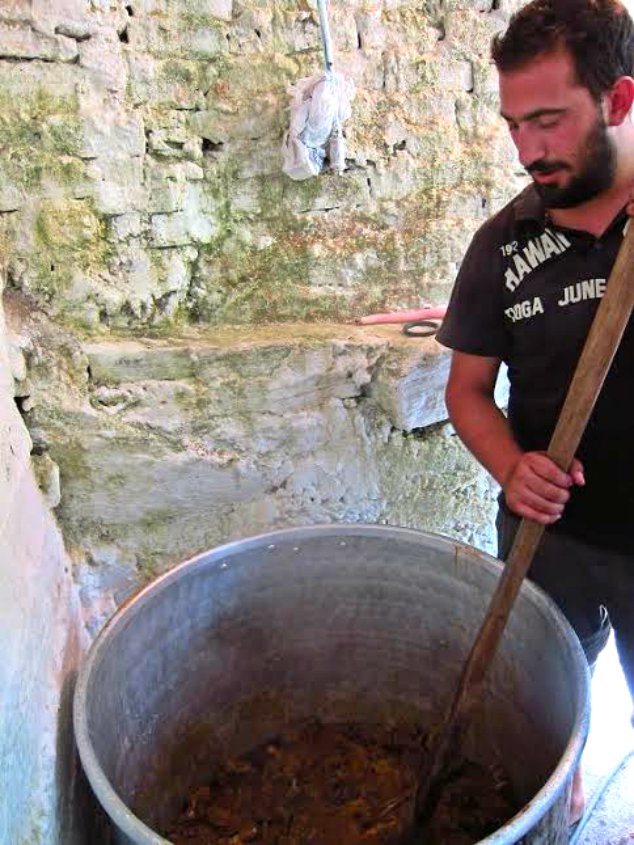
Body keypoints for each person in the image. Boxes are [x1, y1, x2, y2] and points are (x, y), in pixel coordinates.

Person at [435, 0, 634, 825]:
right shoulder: (503, 243)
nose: (527, 151)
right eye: (514, 125)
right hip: (547, 538)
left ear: (618, 100)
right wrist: (512, 467)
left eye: (547, 122)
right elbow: (467, 391)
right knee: (545, 704)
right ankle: (564, 796)